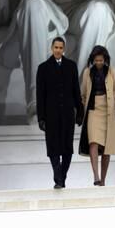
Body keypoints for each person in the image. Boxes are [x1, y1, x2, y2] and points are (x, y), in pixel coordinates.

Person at [36, 37, 84, 188]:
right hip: (51, 116)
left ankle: (61, 177)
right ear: (52, 48)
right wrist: (41, 118)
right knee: (53, 148)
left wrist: (80, 112)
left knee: (67, 149)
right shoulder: (43, 68)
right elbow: (40, 95)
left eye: (60, 48)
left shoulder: (71, 66)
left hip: (68, 115)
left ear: (64, 49)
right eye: (55, 47)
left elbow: (76, 91)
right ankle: (58, 179)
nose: (58, 50)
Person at [78, 45, 115, 186]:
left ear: (105, 60)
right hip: (93, 110)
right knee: (93, 142)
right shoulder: (87, 72)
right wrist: (80, 112)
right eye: (96, 60)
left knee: (106, 149)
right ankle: (96, 177)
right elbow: (83, 95)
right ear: (93, 60)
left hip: (108, 111)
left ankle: (103, 180)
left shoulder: (112, 72)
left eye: (101, 60)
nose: (98, 62)